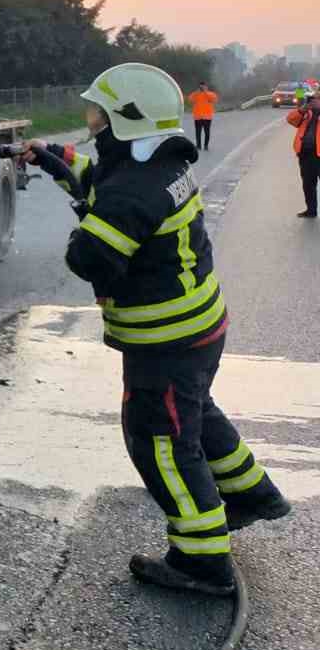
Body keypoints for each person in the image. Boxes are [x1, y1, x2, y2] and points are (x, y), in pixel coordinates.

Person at [22, 62, 289, 596]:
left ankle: (201, 560)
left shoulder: (132, 189)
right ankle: (252, 494)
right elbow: (108, 186)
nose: (90, 121)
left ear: (124, 120)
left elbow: (93, 254)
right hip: (197, 327)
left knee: (160, 441)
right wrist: (60, 161)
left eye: (97, 114)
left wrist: (84, 227)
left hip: (165, 340)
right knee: (194, 413)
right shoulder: (161, 163)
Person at [287, 87, 320, 218]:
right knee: (308, 185)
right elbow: (290, 120)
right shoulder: (307, 112)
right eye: (314, 98)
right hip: (306, 154)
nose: (315, 101)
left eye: (317, 98)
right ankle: (311, 210)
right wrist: (302, 109)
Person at [187, 80, 218, 151]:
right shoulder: (196, 94)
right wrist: (196, 92)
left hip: (207, 117)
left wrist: (205, 92)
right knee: (198, 132)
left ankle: (206, 145)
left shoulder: (211, 94)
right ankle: (198, 146)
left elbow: (214, 100)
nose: (202, 88)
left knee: (207, 132)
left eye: (203, 86)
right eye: (201, 86)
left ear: (206, 87)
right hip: (198, 117)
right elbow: (190, 99)